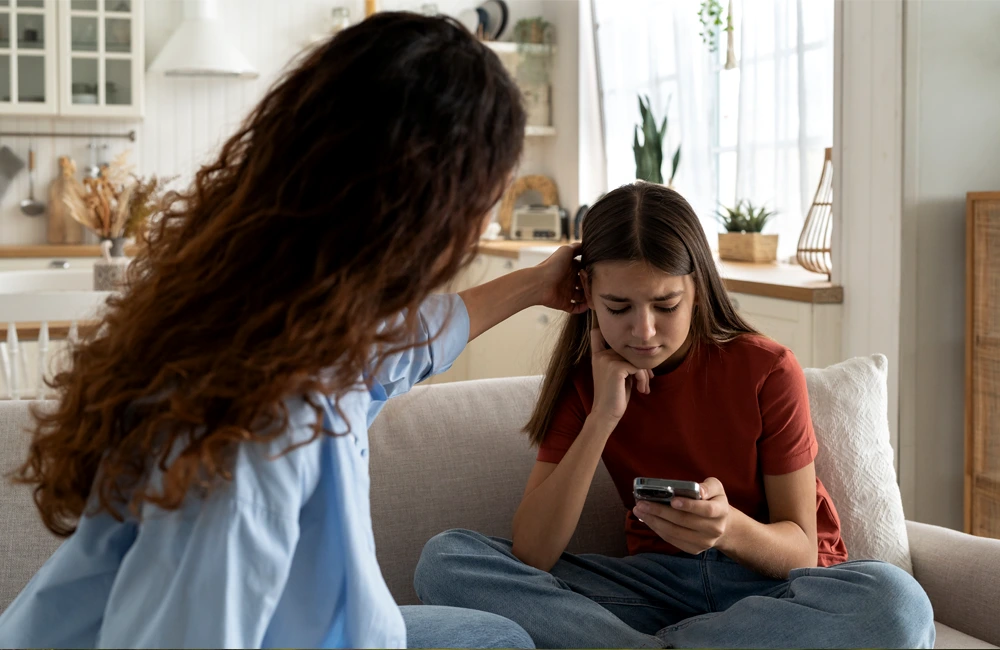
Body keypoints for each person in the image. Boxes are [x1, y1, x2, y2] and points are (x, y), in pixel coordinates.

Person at [0, 13, 585, 649]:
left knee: (491, 636)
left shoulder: (280, 314)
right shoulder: (261, 433)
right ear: (427, 211)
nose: (479, 230)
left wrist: (533, 285)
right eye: (483, 203)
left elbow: (400, 346)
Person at [415, 182, 936, 649]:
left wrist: (727, 528)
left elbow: (801, 550)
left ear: (697, 290)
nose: (643, 331)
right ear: (586, 295)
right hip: (652, 590)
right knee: (446, 560)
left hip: (772, 594)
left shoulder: (766, 369)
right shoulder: (586, 382)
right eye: (618, 308)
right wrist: (602, 418)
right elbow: (532, 553)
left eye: (666, 306)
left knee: (895, 602)